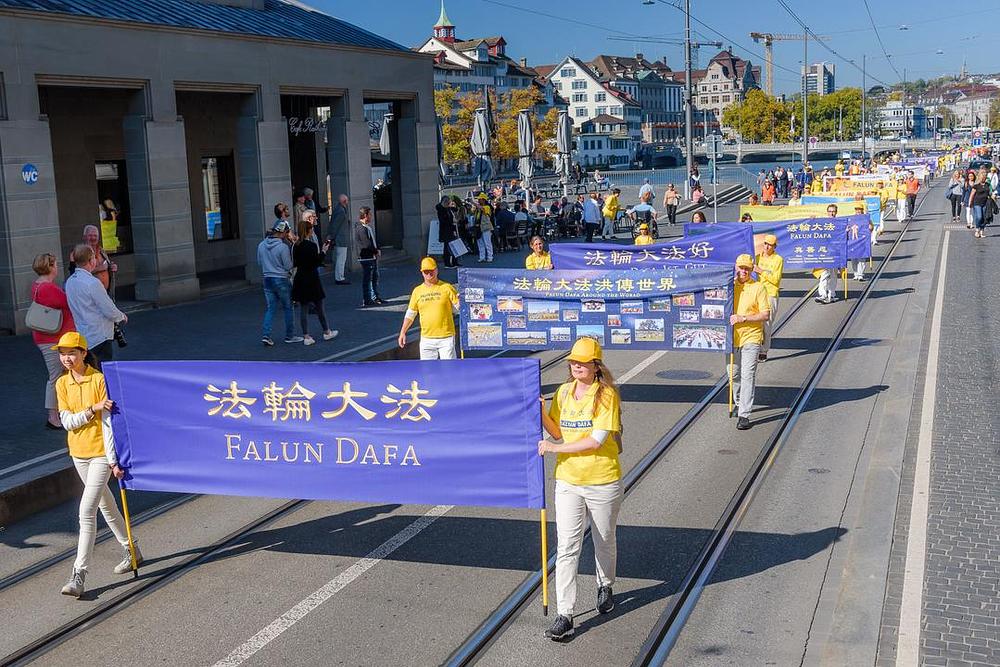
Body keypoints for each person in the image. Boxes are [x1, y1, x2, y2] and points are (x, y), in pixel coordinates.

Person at [539, 336, 623, 640]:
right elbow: (559, 432)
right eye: (573, 362)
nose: (576, 366)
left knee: (604, 539)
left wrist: (553, 448)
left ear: (595, 365)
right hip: (569, 481)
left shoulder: (606, 395)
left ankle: (605, 584)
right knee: (567, 546)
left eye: (582, 362)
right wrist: (541, 414)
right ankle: (566, 614)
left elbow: (596, 440)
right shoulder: (563, 392)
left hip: (602, 480)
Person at [54, 331, 141, 598]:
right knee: (106, 504)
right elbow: (67, 422)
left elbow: (108, 424)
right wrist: (92, 409)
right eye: (62, 353)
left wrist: (114, 459)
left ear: (83, 353)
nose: (66, 358)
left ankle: (79, 574)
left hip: (101, 453)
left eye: (72, 352)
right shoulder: (61, 384)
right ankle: (131, 549)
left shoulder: (99, 379)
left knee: (86, 510)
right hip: (78, 453)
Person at [30, 253, 76, 429]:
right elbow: (68, 301)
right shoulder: (48, 288)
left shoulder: (37, 285)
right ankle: (52, 417)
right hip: (52, 338)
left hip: (48, 337)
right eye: (56, 264)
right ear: (49, 267)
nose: (57, 267)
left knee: (60, 374)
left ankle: (59, 412)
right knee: (56, 377)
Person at [65, 245, 127, 369]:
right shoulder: (93, 283)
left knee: (89, 371)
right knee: (102, 372)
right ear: (91, 260)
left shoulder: (70, 282)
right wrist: (121, 316)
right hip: (99, 335)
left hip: (83, 333)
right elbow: (108, 309)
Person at [730, 254, 771, 430]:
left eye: (747, 268)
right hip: (731, 339)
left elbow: (765, 314)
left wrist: (743, 318)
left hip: (752, 336)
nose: (743, 271)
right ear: (736, 267)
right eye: (741, 267)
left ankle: (744, 414)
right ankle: (739, 402)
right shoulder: (729, 287)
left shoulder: (758, 287)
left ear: (751, 269)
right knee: (733, 374)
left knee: (748, 375)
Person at [398, 257, 459, 359]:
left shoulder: (447, 287)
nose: (429, 274)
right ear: (422, 273)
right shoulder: (417, 291)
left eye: (431, 271)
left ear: (436, 270)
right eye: (426, 272)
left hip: (446, 337)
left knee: (449, 371)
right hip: (427, 339)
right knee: (428, 372)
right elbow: (410, 314)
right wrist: (403, 332)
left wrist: (464, 301)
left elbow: (459, 308)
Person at [291, 219, 338, 346]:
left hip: (300, 278)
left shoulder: (295, 246)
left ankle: (306, 335)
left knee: (304, 308)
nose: (312, 231)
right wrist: (323, 251)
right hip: (312, 278)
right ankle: (327, 331)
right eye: (311, 229)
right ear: (307, 231)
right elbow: (316, 262)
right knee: (319, 306)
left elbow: (295, 262)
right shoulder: (311, 246)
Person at [257, 219, 302, 346]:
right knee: (288, 308)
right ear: (284, 232)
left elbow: (259, 262)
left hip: (267, 279)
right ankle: (290, 335)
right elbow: (288, 266)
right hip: (281, 279)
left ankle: (266, 335)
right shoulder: (282, 247)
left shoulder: (261, 245)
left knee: (270, 308)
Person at [754, 235, 783, 361]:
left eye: (770, 244)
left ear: (774, 247)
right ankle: (755, 347)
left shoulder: (778, 259)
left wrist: (761, 271)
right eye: (765, 243)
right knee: (755, 323)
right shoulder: (757, 257)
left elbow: (776, 280)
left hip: (770, 294)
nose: (766, 246)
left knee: (766, 324)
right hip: (756, 294)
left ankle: (763, 350)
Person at [69, 225, 116, 294]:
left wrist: (112, 267)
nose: (93, 238)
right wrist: (99, 268)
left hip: (106, 292)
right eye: (90, 235)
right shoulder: (79, 252)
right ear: (84, 237)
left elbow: (107, 265)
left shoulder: (101, 250)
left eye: (95, 235)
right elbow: (76, 273)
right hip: (90, 293)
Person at [812, 205, 841, 303]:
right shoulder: (822, 223)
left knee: (833, 275)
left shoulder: (840, 223)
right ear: (827, 212)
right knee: (824, 273)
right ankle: (823, 294)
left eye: (833, 211)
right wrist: (812, 221)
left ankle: (832, 294)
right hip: (824, 253)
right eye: (830, 211)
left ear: (836, 212)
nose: (832, 213)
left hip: (835, 253)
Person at [356, 206, 384, 307]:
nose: (371, 216)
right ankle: (368, 299)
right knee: (368, 279)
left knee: (374, 277)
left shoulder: (367, 227)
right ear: (365, 215)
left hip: (371, 256)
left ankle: (374, 296)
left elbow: (373, 240)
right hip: (366, 257)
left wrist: (377, 248)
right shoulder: (361, 228)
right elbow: (367, 244)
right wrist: (375, 251)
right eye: (370, 214)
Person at [329, 194, 351, 284]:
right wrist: (332, 236)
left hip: (339, 238)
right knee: (341, 259)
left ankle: (339, 277)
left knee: (340, 258)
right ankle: (339, 278)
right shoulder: (341, 211)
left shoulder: (338, 209)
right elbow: (335, 226)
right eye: (347, 200)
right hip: (341, 238)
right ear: (345, 201)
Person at [474, 193, 495, 263]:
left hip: (486, 227)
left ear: (484, 200)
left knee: (487, 243)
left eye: (480, 199)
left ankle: (490, 256)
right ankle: (482, 257)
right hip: (478, 227)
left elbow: (482, 209)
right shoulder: (477, 208)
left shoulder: (487, 207)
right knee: (480, 243)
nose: (478, 201)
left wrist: (472, 202)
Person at [970, 172, 990, 239]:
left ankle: (981, 231)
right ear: (979, 178)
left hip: (985, 203)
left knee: (984, 218)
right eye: (981, 177)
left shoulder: (987, 184)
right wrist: (970, 202)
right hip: (977, 203)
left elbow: (990, 192)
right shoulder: (976, 185)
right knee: (979, 217)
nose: (983, 178)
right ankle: (977, 229)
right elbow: (972, 194)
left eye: (984, 177)